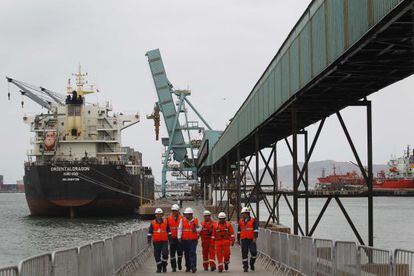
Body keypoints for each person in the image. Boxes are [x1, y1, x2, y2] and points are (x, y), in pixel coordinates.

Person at [148, 208, 171, 273]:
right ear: (155, 215)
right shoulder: (152, 223)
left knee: (165, 253)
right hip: (156, 242)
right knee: (157, 255)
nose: (159, 215)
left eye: (160, 214)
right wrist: (149, 240)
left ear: (162, 215)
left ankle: (164, 265)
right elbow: (150, 233)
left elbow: (169, 232)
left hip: (164, 241)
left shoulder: (166, 222)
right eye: (158, 214)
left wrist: (171, 240)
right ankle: (159, 267)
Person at [178, 207, 201, 273]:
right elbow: (180, 229)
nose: (185, 215)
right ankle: (188, 267)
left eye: (187, 214)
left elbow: (200, 228)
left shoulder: (196, 220)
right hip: (185, 240)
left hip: (193, 240)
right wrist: (179, 237)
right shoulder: (182, 220)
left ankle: (193, 267)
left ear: (191, 214)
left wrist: (196, 230)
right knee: (186, 253)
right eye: (185, 214)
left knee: (192, 252)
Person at [237, 207, 259, 272]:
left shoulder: (253, 220)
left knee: (254, 252)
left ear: (247, 214)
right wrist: (238, 239)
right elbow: (239, 231)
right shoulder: (240, 221)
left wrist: (255, 238)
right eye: (242, 214)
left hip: (251, 239)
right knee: (244, 253)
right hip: (244, 239)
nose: (242, 215)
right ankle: (245, 267)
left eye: (243, 214)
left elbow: (256, 230)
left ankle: (252, 263)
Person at [167, 204, 183, 272]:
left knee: (180, 252)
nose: (174, 212)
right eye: (173, 211)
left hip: (179, 238)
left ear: (178, 211)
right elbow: (167, 228)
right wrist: (169, 237)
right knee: (172, 254)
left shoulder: (182, 218)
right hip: (172, 238)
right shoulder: (168, 218)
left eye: (175, 211)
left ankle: (179, 263)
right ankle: (173, 267)